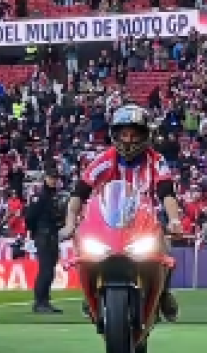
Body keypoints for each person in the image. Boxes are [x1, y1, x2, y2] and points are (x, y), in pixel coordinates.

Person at [59, 104, 182, 321]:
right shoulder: (104, 159)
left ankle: (163, 293)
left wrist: (174, 220)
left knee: (165, 249)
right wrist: (70, 223)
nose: (128, 140)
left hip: (144, 222)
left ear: (145, 135)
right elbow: (79, 192)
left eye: (134, 134)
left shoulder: (157, 161)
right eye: (123, 134)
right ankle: (90, 295)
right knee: (85, 247)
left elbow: (167, 193)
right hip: (108, 222)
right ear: (115, 134)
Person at [25, 168, 64, 313]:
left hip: (52, 236)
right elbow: (29, 217)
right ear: (45, 178)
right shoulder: (40, 196)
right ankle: (40, 302)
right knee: (45, 270)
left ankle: (45, 301)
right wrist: (36, 232)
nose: (54, 180)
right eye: (51, 178)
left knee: (50, 270)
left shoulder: (53, 196)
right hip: (44, 236)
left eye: (55, 178)